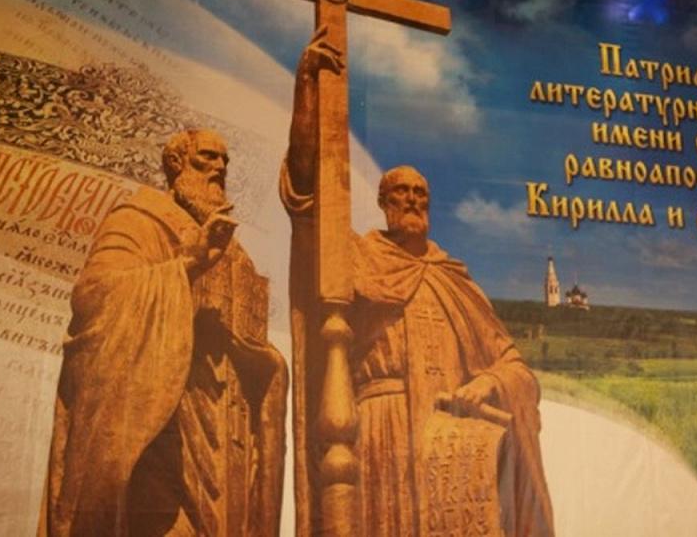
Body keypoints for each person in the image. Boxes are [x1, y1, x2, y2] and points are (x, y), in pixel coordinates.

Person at [281, 28, 554, 536]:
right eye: (400, 192)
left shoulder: (453, 280)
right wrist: (308, 95)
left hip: (448, 439)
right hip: (381, 429)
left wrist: (490, 383)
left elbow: (515, 367)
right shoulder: (358, 257)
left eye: (420, 194)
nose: (411, 200)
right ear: (383, 204)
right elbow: (306, 196)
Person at [41, 129, 288, 537]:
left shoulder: (232, 249)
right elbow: (93, 297)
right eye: (208, 156)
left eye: (225, 161)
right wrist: (186, 265)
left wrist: (266, 361)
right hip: (158, 429)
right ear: (176, 164)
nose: (220, 168)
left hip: (224, 442)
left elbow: (248, 351)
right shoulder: (137, 221)